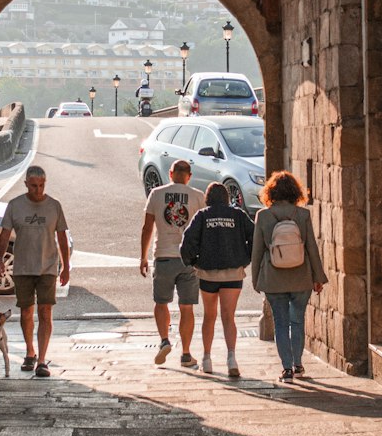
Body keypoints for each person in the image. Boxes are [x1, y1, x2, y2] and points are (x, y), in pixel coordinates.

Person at [251, 171, 327, 383]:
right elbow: (311, 247)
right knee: (297, 322)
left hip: (273, 278)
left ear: (270, 192)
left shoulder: (263, 216)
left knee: (281, 323)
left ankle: (286, 370)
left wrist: (256, 278)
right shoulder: (302, 215)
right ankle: (298, 364)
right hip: (301, 276)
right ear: (295, 191)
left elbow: (257, 250)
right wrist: (318, 276)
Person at [0, 164, 70, 376]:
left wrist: (65, 266)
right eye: (34, 186)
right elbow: (4, 234)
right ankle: (30, 351)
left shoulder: (54, 206)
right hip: (23, 267)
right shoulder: (15, 205)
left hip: (47, 267)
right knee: (26, 311)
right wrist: (0, 259)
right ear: (26, 184)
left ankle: (42, 360)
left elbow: (62, 236)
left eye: (41, 185)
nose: (38, 190)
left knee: (45, 311)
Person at [180, 181, 253, 378]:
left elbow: (187, 243)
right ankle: (231, 359)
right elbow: (254, 237)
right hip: (233, 273)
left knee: (209, 316)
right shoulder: (238, 215)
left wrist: (194, 262)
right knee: (229, 316)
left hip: (208, 274)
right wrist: (245, 259)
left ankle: (207, 358)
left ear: (208, 198)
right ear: (227, 198)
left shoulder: (203, 216)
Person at [140, 159, 206, 368]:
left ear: (170, 174)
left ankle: (164, 341)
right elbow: (203, 230)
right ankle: (186, 354)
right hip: (189, 259)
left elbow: (147, 227)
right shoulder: (197, 196)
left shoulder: (157, 194)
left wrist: (142, 256)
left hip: (164, 256)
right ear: (189, 176)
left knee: (161, 303)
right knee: (187, 307)